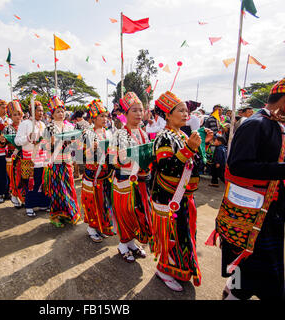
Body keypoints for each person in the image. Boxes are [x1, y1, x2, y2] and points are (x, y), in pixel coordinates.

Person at [209, 78, 285, 300]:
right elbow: (238, 165)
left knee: (248, 267)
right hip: (251, 214)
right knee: (257, 267)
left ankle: (233, 290)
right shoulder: (255, 124)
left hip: (269, 211)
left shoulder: (276, 124)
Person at [150, 91, 213, 292]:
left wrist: (203, 145)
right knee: (173, 236)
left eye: (187, 111)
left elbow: (196, 165)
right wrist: (189, 150)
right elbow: (167, 167)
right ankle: (164, 269)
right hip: (169, 198)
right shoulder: (163, 137)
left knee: (185, 235)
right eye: (181, 110)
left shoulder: (183, 134)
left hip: (185, 196)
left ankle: (180, 268)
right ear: (168, 115)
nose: (186, 114)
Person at [110, 92, 152, 263]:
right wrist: (121, 158)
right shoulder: (120, 134)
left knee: (138, 214)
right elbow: (112, 159)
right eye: (134, 110)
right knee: (125, 214)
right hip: (124, 182)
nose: (139, 113)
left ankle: (132, 243)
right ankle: (122, 244)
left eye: (141, 110)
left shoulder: (144, 133)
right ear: (125, 114)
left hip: (141, 182)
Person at [42, 96, 81, 227]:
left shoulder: (69, 127)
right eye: (57, 112)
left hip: (67, 161)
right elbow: (45, 147)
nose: (61, 114)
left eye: (62, 111)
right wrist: (52, 144)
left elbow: (74, 145)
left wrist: (73, 142)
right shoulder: (49, 128)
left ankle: (70, 213)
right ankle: (56, 216)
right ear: (52, 114)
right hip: (55, 163)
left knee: (69, 189)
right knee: (57, 190)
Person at [81, 99, 114, 243]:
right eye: (101, 116)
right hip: (92, 175)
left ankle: (101, 226)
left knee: (104, 202)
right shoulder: (87, 133)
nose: (104, 119)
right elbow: (80, 154)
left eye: (106, 116)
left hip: (105, 174)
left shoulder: (109, 133)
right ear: (93, 118)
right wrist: (90, 149)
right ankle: (92, 228)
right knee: (93, 202)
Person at [15, 100, 50, 217]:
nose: (41, 113)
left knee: (42, 182)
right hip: (30, 159)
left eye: (42, 111)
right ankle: (29, 206)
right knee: (31, 183)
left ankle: (42, 203)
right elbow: (17, 141)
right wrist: (28, 137)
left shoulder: (43, 124)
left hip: (42, 159)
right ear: (31, 111)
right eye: (38, 110)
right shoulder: (25, 124)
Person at [3, 100, 24, 208]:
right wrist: (2, 140)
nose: (17, 117)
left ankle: (24, 197)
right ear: (10, 116)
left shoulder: (25, 126)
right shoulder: (7, 128)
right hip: (13, 157)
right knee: (15, 178)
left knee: (24, 178)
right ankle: (15, 196)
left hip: (25, 156)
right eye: (14, 115)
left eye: (19, 114)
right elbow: (2, 144)